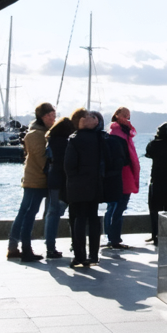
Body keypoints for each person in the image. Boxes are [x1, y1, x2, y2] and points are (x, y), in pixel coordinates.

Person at [7, 102, 55, 262]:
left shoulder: (45, 132)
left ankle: (14, 248)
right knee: (27, 213)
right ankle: (22, 248)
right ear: (42, 117)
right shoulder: (35, 134)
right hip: (35, 180)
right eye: (49, 115)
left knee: (25, 212)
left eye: (54, 114)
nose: (53, 118)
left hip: (39, 180)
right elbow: (41, 159)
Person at [63, 108, 106, 267]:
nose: (92, 118)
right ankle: (94, 255)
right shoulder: (100, 138)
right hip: (95, 184)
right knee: (93, 218)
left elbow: (69, 166)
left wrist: (75, 179)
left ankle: (80, 256)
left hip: (78, 186)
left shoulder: (74, 139)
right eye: (88, 116)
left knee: (79, 219)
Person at [104, 107, 139, 250]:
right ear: (117, 115)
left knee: (112, 207)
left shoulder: (117, 132)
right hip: (121, 175)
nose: (126, 118)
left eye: (128, 116)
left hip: (117, 175)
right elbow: (121, 157)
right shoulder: (118, 134)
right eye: (124, 115)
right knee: (118, 207)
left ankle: (110, 237)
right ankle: (114, 239)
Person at [43, 113, 73, 259]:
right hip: (62, 181)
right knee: (57, 212)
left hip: (52, 179)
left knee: (51, 213)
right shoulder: (66, 143)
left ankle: (49, 246)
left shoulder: (51, 141)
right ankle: (51, 247)